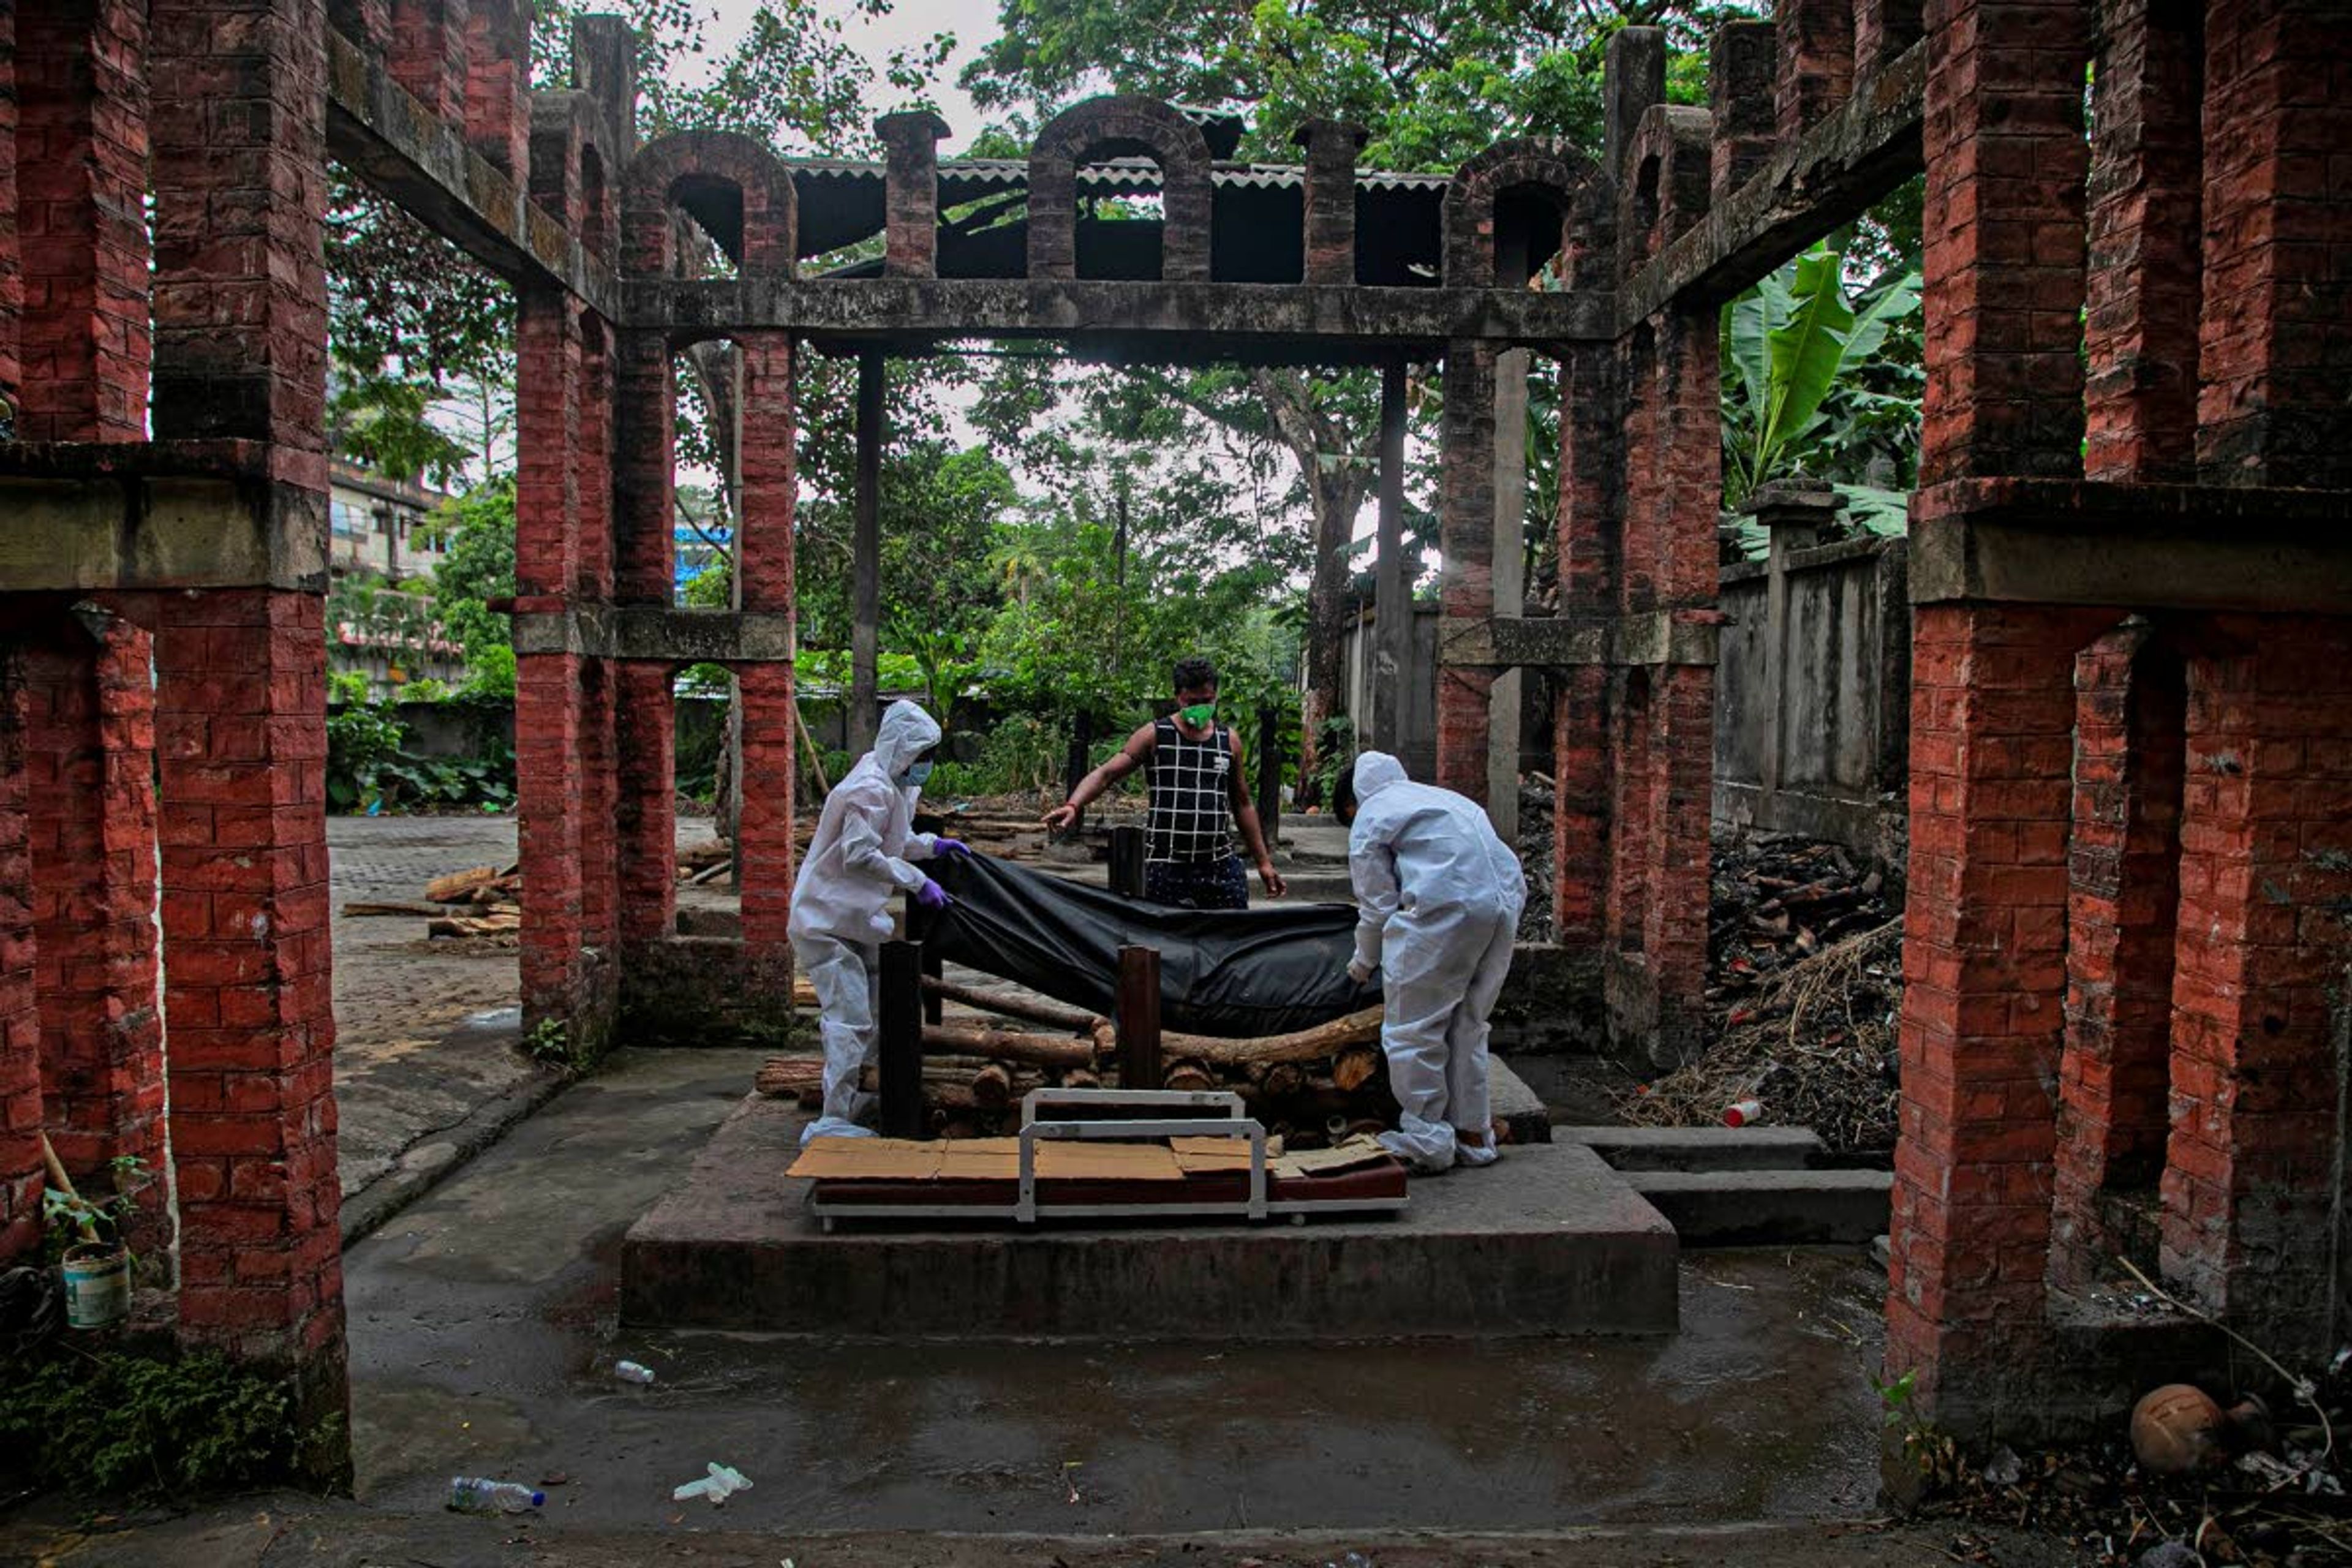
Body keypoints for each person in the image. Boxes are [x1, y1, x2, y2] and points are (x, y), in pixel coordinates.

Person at [1334, 750, 1525, 1173]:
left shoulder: (1371, 814)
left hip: (1447, 906)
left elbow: (1377, 907)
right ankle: (1474, 1136)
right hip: (1504, 902)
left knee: (1413, 1029)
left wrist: (1362, 964)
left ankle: (1426, 1139)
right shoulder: (1445, 798)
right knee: (1469, 1024)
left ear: (1352, 803)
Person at [788, 699, 968, 1145]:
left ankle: (858, 1106)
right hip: (825, 921)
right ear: (903, 750)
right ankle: (832, 1119)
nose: (926, 766)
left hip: (855, 919)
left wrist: (933, 847)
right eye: (922, 756)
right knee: (848, 1018)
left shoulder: (893, 784)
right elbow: (860, 853)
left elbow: (896, 840)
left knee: (875, 1013)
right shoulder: (869, 787)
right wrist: (916, 880)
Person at [1042, 655, 1286, 910]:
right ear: (1178, 697)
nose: (1201, 707)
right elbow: (1106, 774)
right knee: (1162, 941)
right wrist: (1073, 805)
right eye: (1193, 702)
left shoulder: (1229, 741)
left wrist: (1264, 863)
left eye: (1208, 701)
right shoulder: (1155, 735)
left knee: (1230, 938)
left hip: (1218, 865)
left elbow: (1243, 803)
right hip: (1166, 865)